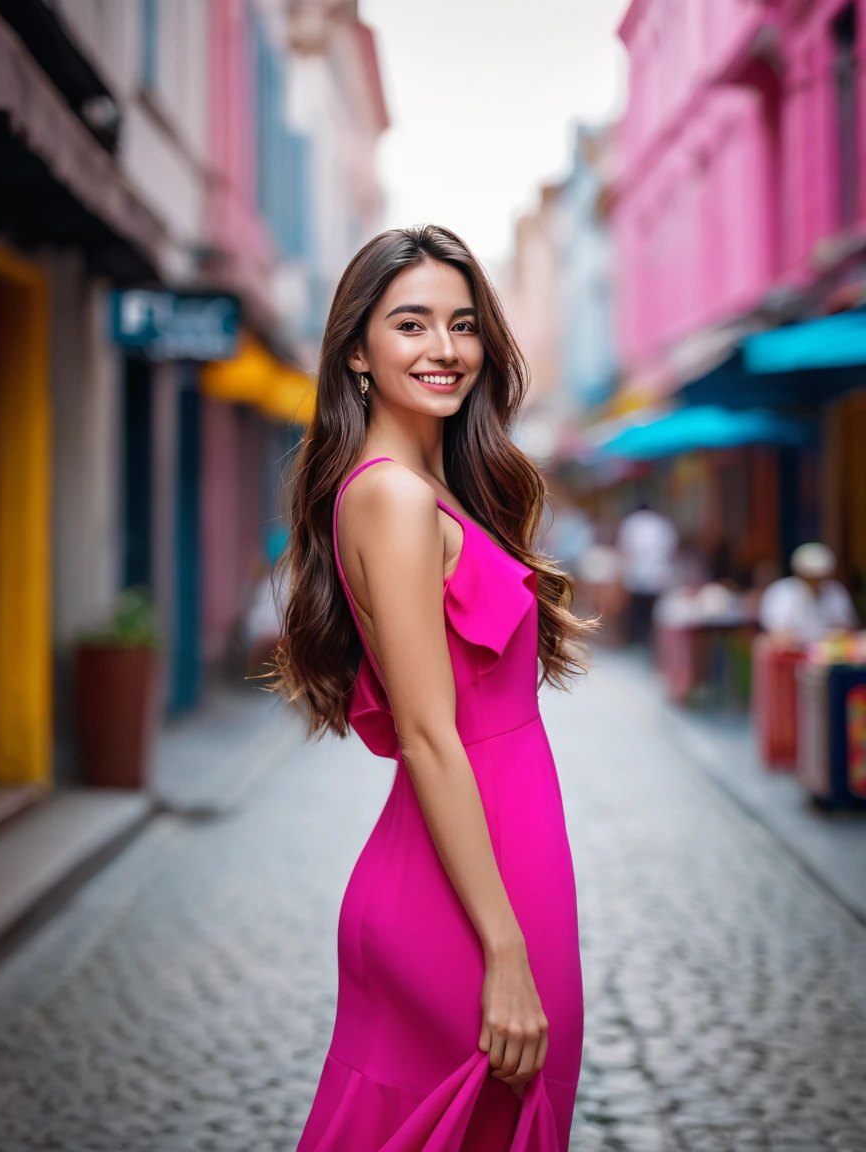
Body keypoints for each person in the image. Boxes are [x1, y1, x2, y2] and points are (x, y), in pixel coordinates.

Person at [267, 225, 593, 1149]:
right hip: (464, 897)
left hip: (498, 862)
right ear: (359, 353)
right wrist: (503, 948)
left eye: (462, 324)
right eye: (411, 324)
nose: (444, 349)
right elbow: (428, 733)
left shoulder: (430, 486)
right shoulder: (393, 497)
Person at [759, 542, 859, 646]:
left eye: (820, 576)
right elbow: (775, 633)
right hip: (793, 654)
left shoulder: (835, 591)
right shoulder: (781, 592)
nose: (815, 580)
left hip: (830, 653)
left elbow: (847, 628)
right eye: (810, 576)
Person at [615, 501, 678, 646]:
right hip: (658, 575)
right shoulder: (662, 523)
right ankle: (652, 641)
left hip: (636, 575)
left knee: (637, 610)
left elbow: (624, 550)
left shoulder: (630, 523)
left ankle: (637, 639)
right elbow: (672, 550)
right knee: (655, 611)